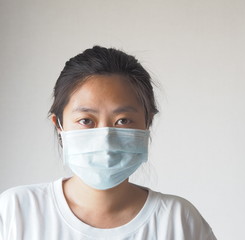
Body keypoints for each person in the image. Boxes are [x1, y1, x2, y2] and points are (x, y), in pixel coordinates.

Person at [0, 46, 217, 240]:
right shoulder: (15, 211)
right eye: (86, 121)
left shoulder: (178, 220)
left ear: (147, 122)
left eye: (122, 121)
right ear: (59, 125)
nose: (105, 136)